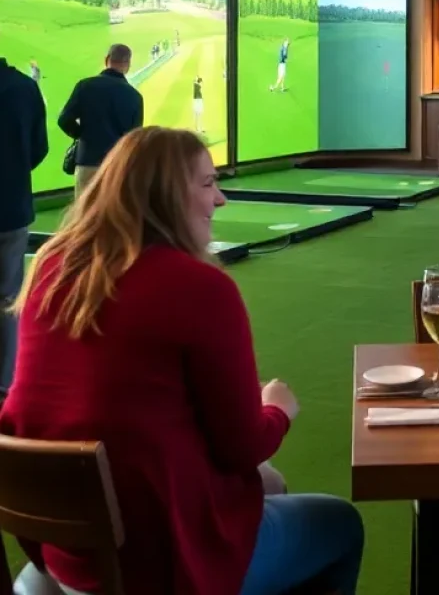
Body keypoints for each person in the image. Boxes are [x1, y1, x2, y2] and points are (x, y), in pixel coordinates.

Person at [0, 127, 364, 595]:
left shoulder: (51, 267)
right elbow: (242, 447)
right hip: (158, 559)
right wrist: (277, 410)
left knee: (269, 485)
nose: (221, 199)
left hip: (65, 553)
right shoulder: (200, 288)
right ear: (170, 194)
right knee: (340, 525)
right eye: (208, 183)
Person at [0, 54, 48, 402]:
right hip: (12, 208)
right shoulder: (24, 87)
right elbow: (39, 148)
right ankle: (5, 386)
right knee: (8, 298)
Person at [58, 44, 144, 199]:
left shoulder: (85, 86)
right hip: (117, 167)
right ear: (128, 65)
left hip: (87, 162)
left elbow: (64, 120)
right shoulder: (134, 97)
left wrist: (83, 135)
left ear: (107, 60)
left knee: (84, 217)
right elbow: (135, 140)